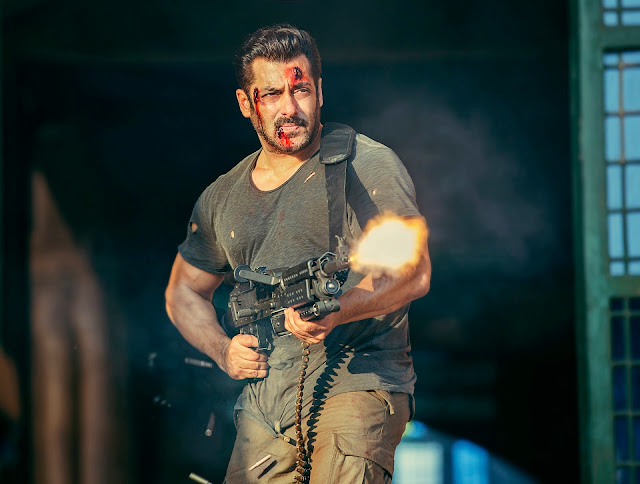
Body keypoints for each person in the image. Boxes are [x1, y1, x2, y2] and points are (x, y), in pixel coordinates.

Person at [165, 24, 431, 483]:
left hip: (357, 382)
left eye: (300, 89)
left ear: (319, 91)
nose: (289, 107)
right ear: (246, 103)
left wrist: (339, 310)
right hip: (264, 405)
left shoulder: (365, 165)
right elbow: (182, 292)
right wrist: (223, 350)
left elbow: (414, 272)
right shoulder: (222, 197)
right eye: (271, 94)